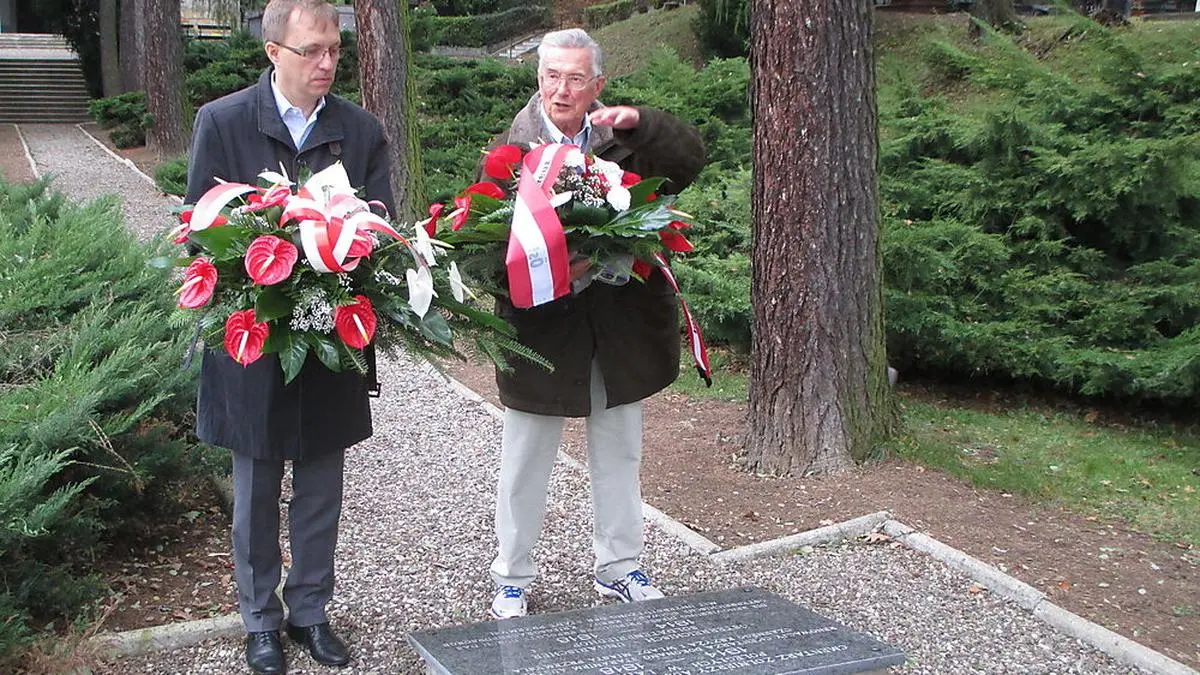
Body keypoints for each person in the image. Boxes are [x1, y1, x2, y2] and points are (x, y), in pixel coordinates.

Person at [184, 0, 394, 672]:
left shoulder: (360, 131)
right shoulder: (222, 122)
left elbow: (382, 223)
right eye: (312, 51)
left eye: (335, 49)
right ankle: (260, 621)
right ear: (273, 52)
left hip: (327, 336)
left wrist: (347, 254)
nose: (327, 63)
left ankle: (310, 612)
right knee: (255, 486)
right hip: (253, 340)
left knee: (322, 486)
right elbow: (201, 231)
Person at [485, 28, 706, 620]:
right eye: (552, 76)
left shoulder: (623, 141)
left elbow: (691, 159)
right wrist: (545, 269)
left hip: (620, 330)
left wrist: (643, 121)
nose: (562, 89)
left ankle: (620, 567)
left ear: (597, 85)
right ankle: (511, 577)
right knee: (526, 459)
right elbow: (481, 246)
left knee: (619, 452)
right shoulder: (510, 149)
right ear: (538, 79)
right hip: (541, 333)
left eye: (576, 77)